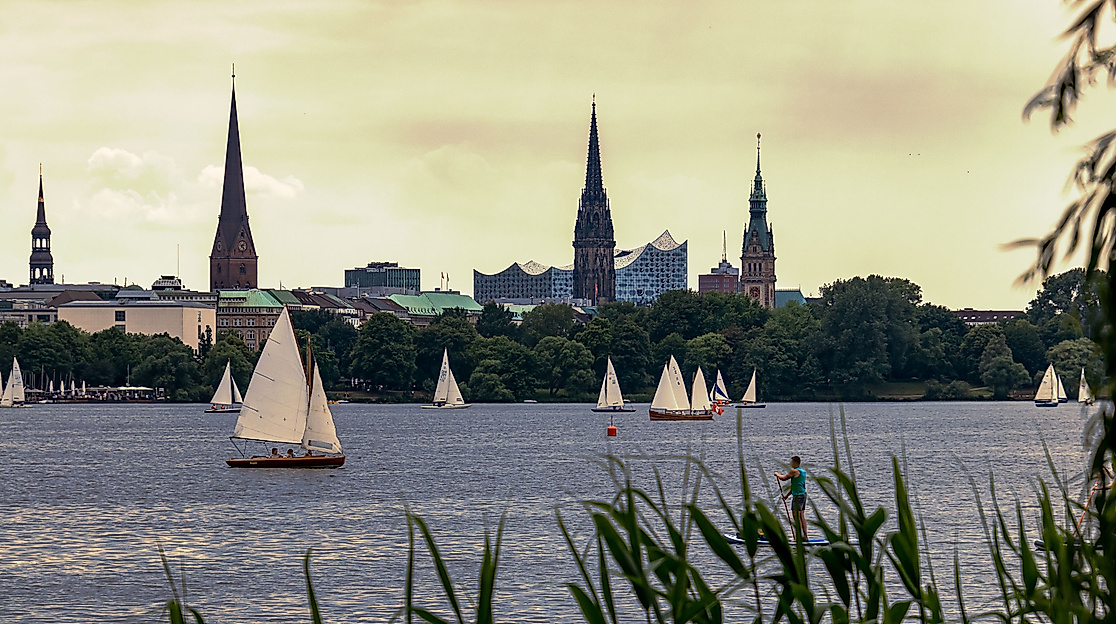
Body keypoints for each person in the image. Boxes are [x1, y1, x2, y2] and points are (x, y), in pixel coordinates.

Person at [775, 456, 809, 540]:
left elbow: (783, 478)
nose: (790, 464)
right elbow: (796, 486)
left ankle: (799, 537)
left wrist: (777, 474)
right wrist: (786, 496)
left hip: (798, 496)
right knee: (801, 516)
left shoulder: (794, 471)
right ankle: (805, 536)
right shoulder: (803, 472)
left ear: (795, 462)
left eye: (791, 462)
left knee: (796, 517)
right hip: (803, 494)